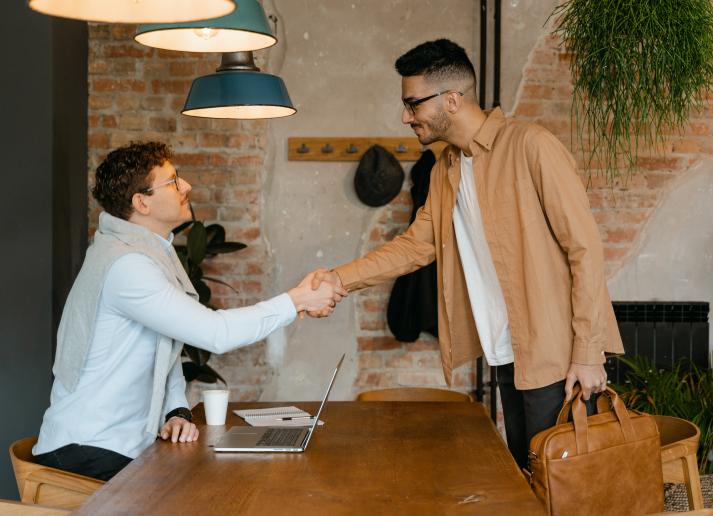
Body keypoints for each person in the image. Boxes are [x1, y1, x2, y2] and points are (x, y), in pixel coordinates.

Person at [310, 39, 623, 469]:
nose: (406, 116)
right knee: (527, 479)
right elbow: (414, 246)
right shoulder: (446, 169)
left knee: (565, 490)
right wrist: (338, 278)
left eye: (412, 104)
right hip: (506, 354)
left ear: (451, 100)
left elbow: (585, 250)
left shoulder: (532, 146)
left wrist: (588, 352)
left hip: (556, 358)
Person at [32, 141, 347, 481]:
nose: (187, 186)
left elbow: (163, 344)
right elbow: (215, 333)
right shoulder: (127, 266)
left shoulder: (141, 253)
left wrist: (177, 410)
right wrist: (297, 300)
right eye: (173, 181)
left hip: (112, 448)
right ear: (142, 202)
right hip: (88, 452)